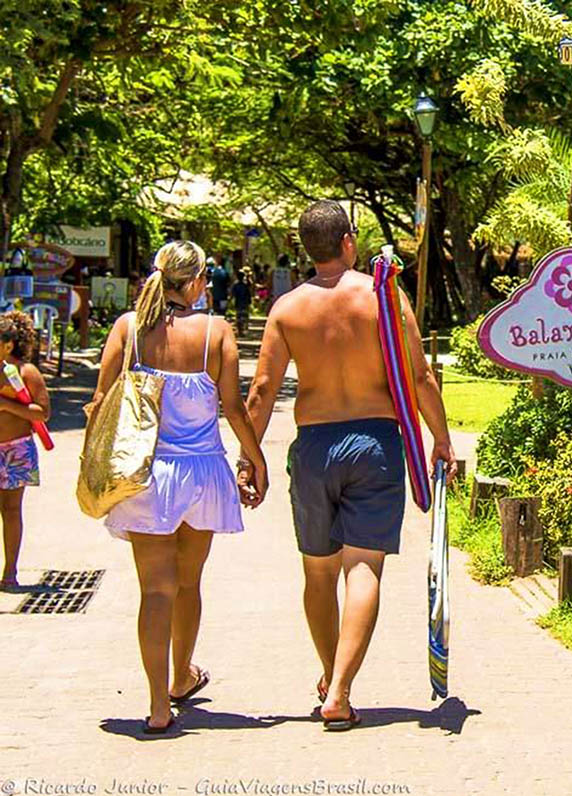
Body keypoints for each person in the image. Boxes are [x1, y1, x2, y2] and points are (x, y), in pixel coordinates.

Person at [244, 200, 455, 731]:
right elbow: (420, 376)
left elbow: (263, 388)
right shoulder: (381, 296)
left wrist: (250, 458)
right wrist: (441, 439)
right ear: (347, 242)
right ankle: (339, 688)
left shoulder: (287, 308)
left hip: (313, 446)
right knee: (363, 568)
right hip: (375, 442)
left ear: (306, 248)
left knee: (318, 570)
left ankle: (329, 673)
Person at [92, 240, 268, 735]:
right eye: (205, 280)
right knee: (189, 583)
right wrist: (255, 460)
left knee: (155, 590)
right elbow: (233, 407)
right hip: (203, 475)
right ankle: (181, 676)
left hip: (145, 476)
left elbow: (101, 400)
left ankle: (157, 706)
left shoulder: (128, 330)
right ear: (192, 284)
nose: (207, 287)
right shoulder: (217, 332)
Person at [0, 312, 49, 590]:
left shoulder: (26, 372)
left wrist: (6, 405)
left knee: (10, 510)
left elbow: (42, 413)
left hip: (17, 450)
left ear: (8, 344)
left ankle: (9, 573)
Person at [231, 270, 252, 337]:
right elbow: (249, 293)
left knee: (239, 317)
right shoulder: (245, 285)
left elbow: (233, 294)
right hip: (244, 303)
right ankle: (242, 331)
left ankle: (240, 331)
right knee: (244, 317)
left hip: (238, 303)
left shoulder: (235, 285)